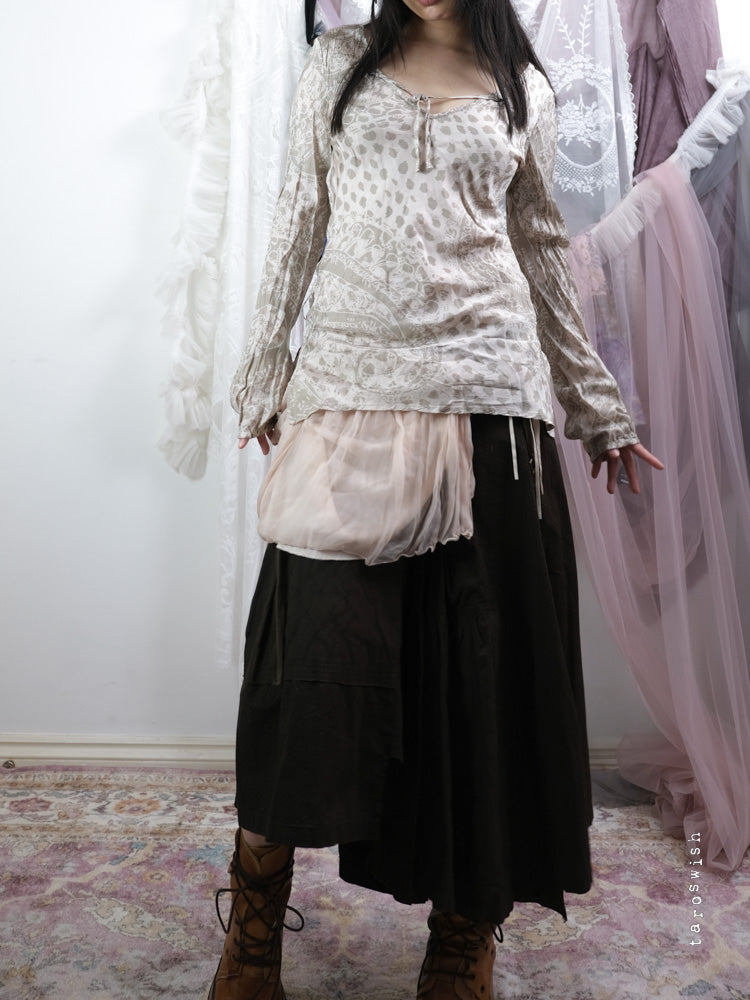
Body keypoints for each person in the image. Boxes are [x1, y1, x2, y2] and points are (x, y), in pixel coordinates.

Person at [208, 1, 664, 998]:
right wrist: (264, 370)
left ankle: (464, 936)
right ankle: (253, 930)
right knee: (306, 682)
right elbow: (299, 217)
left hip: (489, 406)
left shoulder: (524, 88)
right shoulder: (337, 66)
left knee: (480, 689)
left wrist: (596, 405)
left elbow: (539, 246)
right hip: (350, 395)